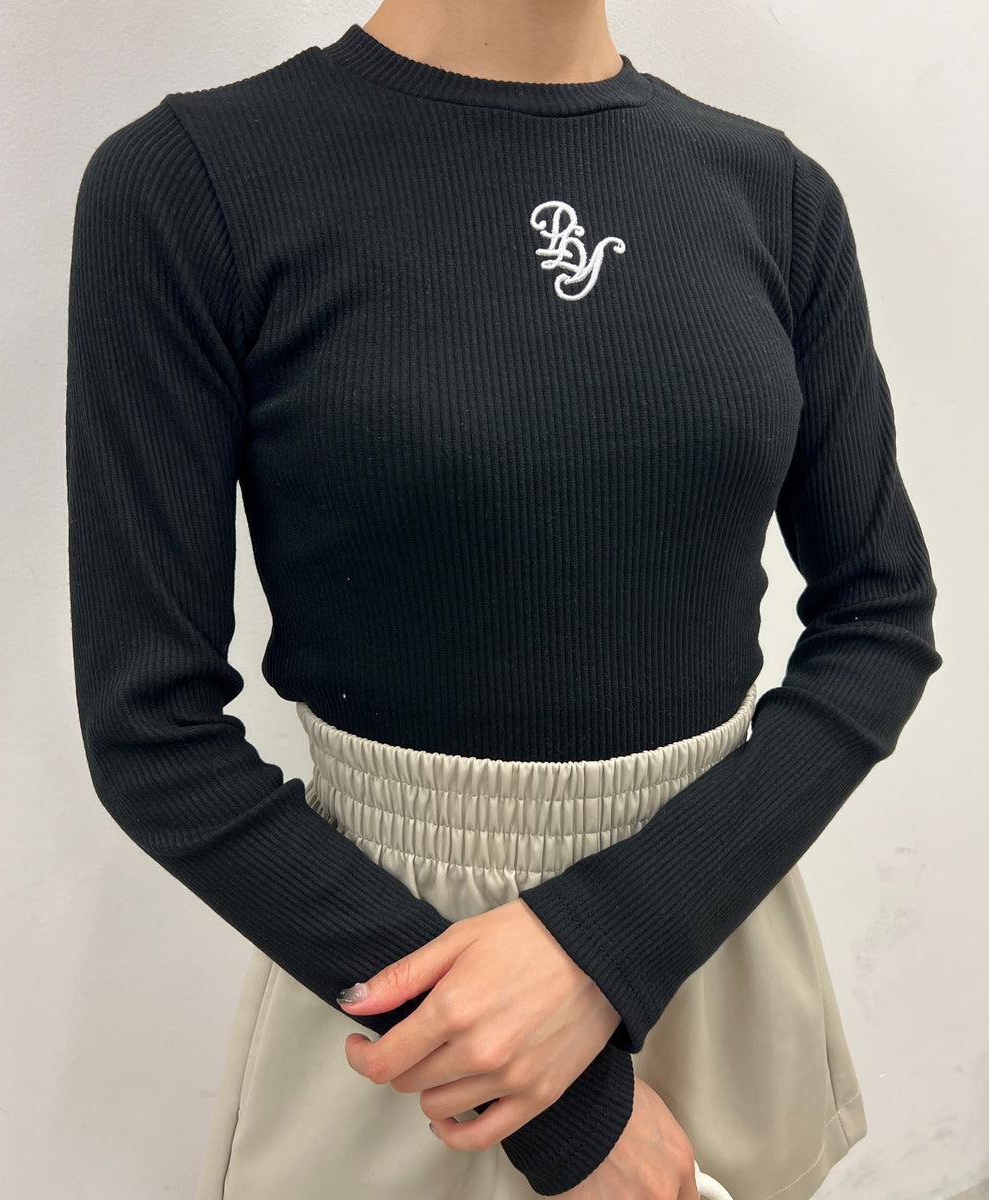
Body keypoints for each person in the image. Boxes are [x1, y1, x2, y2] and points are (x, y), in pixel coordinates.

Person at [64, 1, 941, 1197]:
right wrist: (569, 1113)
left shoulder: (775, 197)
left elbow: (880, 615)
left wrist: (611, 942)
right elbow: (151, 732)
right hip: (398, 986)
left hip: (711, 927)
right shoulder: (194, 186)